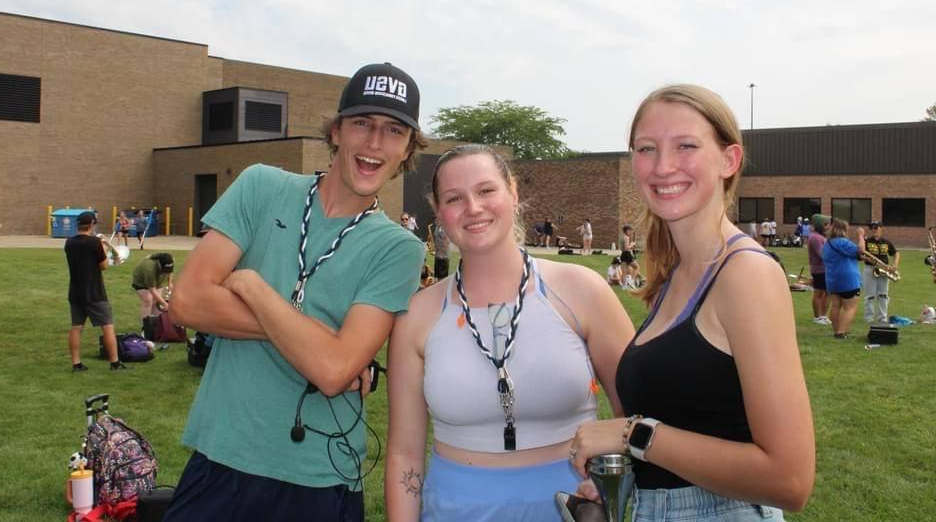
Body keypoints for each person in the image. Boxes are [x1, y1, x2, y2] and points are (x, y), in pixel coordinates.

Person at [164, 62, 428, 522]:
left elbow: (332, 370)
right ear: (336, 132)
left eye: (393, 131)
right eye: (362, 124)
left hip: (319, 478)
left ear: (407, 150)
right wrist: (320, 338)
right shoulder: (261, 186)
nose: (374, 143)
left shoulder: (398, 248)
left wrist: (250, 286)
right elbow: (187, 301)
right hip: (223, 455)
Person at [569, 85, 814, 520]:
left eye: (685, 146)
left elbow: (790, 480)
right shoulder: (675, 275)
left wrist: (633, 435)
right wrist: (620, 479)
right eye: (647, 149)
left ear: (728, 160)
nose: (663, 166)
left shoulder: (746, 275)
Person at [385, 144, 635, 521]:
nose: (473, 207)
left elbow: (638, 416)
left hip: (569, 507)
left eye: (486, 191)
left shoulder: (583, 290)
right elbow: (404, 453)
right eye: (454, 198)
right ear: (439, 211)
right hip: (455, 509)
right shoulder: (417, 315)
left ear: (513, 192)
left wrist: (613, 481)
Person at [64, 211, 126, 371]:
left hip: (75, 292)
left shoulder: (69, 243)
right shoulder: (94, 242)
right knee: (107, 326)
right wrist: (104, 248)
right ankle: (114, 362)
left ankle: (76, 363)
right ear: (92, 224)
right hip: (94, 291)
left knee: (76, 327)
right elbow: (104, 266)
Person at [821, 218, 864, 339]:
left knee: (836, 306)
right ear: (843, 230)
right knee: (850, 307)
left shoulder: (827, 245)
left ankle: (837, 331)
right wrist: (861, 235)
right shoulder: (843, 242)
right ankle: (841, 332)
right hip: (848, 280)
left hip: (832, 281)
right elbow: (861, 250)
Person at [862, 221, 900, 324]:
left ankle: (882, 317)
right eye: (872, 228)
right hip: (870, 269)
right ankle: (868, 318)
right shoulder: (866, 241)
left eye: (876, 227)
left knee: (883, 295)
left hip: (883, 270)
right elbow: (860, 255)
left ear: (881, 228)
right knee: (870, 295)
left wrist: (895, 265)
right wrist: (870, 260)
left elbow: (896, 253)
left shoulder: (886, 242)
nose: (873, 229)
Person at [132, 252, 175, 325]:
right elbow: (152, 289)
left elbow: (170, 271)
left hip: (158, 281)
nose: (165, 272)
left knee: (156, 302)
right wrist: (164, 304)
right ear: (159, 264)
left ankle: (157, 326)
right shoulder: (149, 267)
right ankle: (145, 327)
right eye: (164, 269)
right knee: (148, 301)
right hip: (141, 282)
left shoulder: (170, 260)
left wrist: (170, 283)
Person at [808, 214, 831, 325]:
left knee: (828, 293)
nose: (828, 226)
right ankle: (817, 317)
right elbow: (822, 254)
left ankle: (823, 315)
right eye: (826, 224)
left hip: (826, 269)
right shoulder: (816, 237)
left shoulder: (821, 237)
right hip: (819, 269)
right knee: (819, 293)